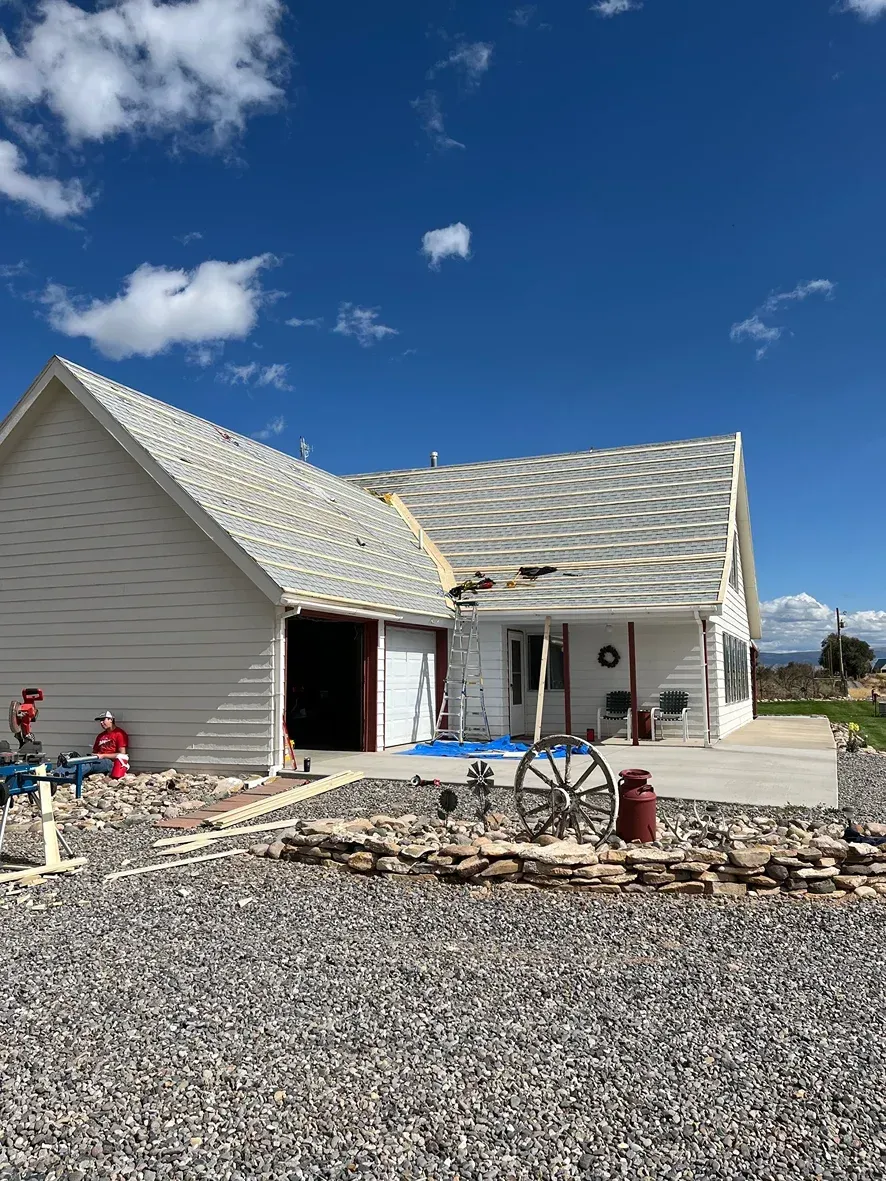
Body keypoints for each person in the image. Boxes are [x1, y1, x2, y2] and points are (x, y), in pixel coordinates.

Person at [67, 711, 130, 780]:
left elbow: (122, 755)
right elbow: (95, 751)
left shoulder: (119, 734)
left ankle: (67, 777)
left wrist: (103, 755)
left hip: (110, 762)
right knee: (75, 760)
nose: (101, 723)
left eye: (103, 720)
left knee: (89, 764)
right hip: (98, 760)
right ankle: (56, 774)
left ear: (111, 720)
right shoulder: (101, 736)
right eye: (100, 721)